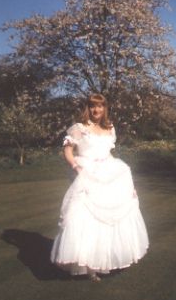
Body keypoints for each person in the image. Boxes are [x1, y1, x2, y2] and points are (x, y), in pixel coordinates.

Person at [50, 93, 149, 282]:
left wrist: (124, 180)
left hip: (110, 172)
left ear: (105, 108)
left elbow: (108, 153)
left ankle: (106, 259)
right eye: (93, 106)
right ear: (88, 107)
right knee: (85, 218)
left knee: (112, 218)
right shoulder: (79, 128)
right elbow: (67, 150)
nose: (96, 110)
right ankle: (89, 266)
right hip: (87, 173)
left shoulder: (109, 128)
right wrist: (75, 166)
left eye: (100, 106)